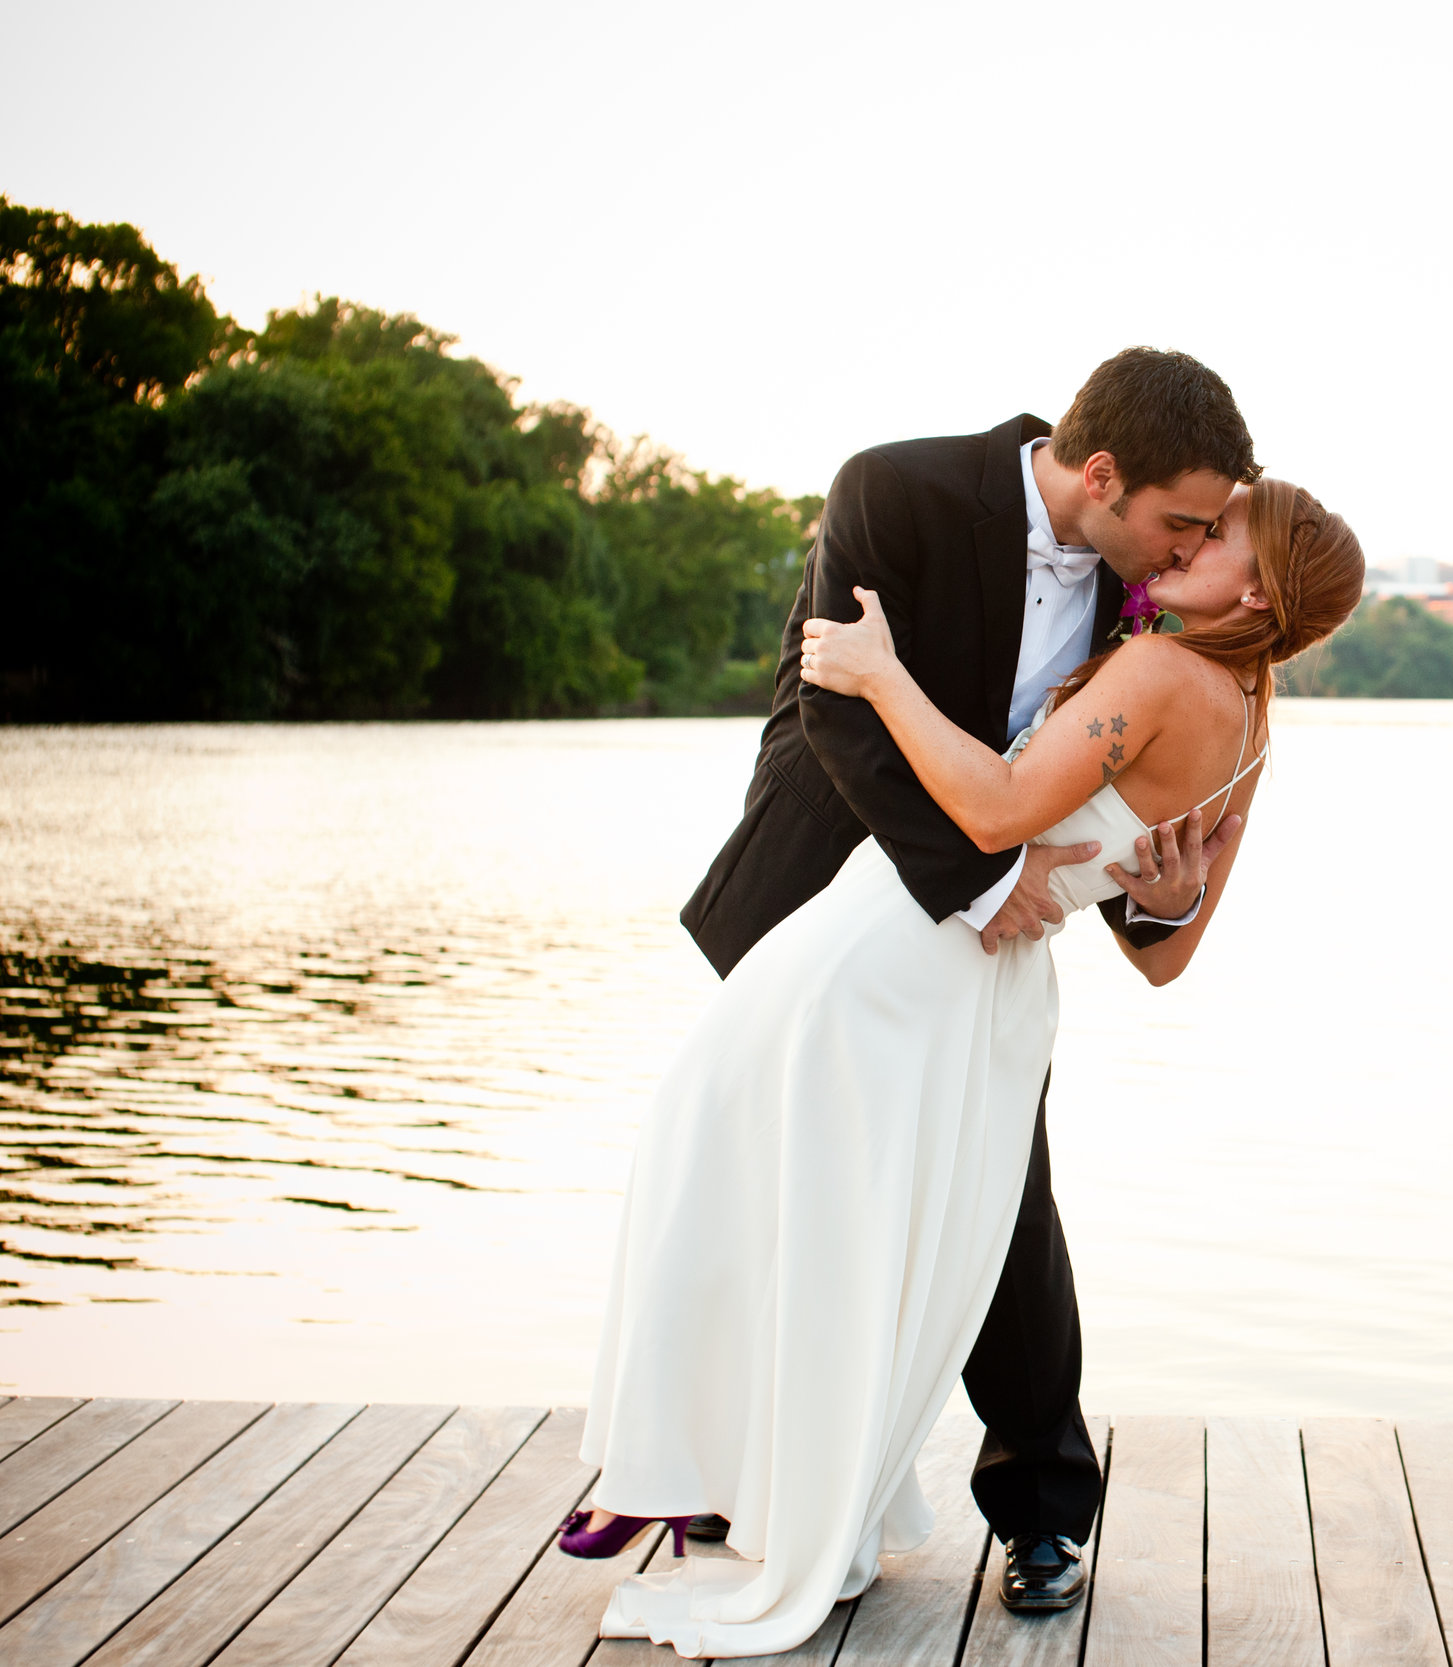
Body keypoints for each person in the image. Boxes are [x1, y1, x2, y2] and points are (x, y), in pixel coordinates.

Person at [566, 393, 1366, 1655]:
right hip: (860, 890)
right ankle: (705, 1472)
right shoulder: (900, 491)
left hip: (923, 954)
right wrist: (1126, 890)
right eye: (1184, 523)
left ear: (1255, 590)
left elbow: (1026, 814)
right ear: (1105, 477)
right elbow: (829, 717)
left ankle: (977, 1499)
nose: (1178, 550)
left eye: (1214, 535)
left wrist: (1133, 893)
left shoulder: (1152, 632)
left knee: (921, 1221)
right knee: (810, 1202)